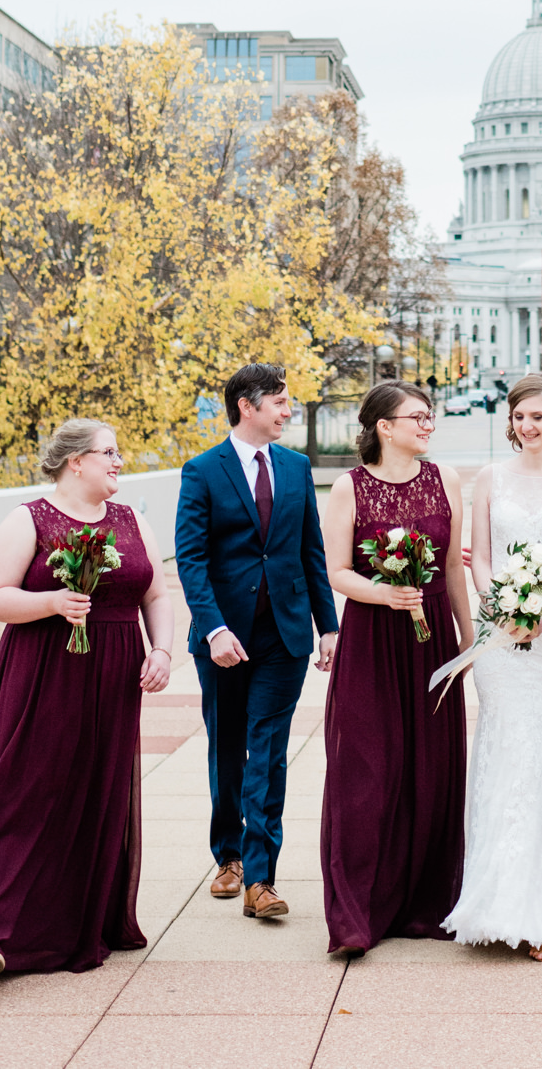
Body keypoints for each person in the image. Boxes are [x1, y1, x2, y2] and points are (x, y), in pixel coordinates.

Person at [0, 420, 174, 982]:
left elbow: (155, 591)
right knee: (22, 790)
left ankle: (64, 924)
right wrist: (54, 602)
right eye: (109, 452)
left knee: (93, 788)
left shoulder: (131, 521)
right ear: (75, 462)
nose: (120, 460)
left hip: (114, 673)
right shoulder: (28, 519)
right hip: (44, 671)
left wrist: (163, 651)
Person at [445, 373, 542, 962]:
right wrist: (502, 608)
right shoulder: (489, 478)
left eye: (538, 416)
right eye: (519, 416)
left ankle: (540, 903)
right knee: (507, 754)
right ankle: (494, 894)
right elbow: (480, 557)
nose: (527, 426)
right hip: (502, 642)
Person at [174, 363, 338, 922]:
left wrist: (329, 626)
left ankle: (261, 878)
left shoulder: (296, 467)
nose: (288, 411)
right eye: (280, 402)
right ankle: (228, 856)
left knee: (269, 751)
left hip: (284, 633)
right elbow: (191, 560)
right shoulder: (201, 472)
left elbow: (310, 550)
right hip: (223, 635)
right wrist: (214, 628)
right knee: (227, 746)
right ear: (248, 405)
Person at [320, 380, 472, 954]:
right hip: (372, 640)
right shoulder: (348, 487)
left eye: (430, 417)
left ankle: (426, 903)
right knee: (365, 775)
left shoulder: (446, 481)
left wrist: (466, 642)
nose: (428, 425)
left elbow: (454, 572)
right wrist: (384, 595)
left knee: (431, 769)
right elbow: (337, 570)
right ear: (384, 426)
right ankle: (355, 917)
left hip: (431, 641)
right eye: (417, 417)